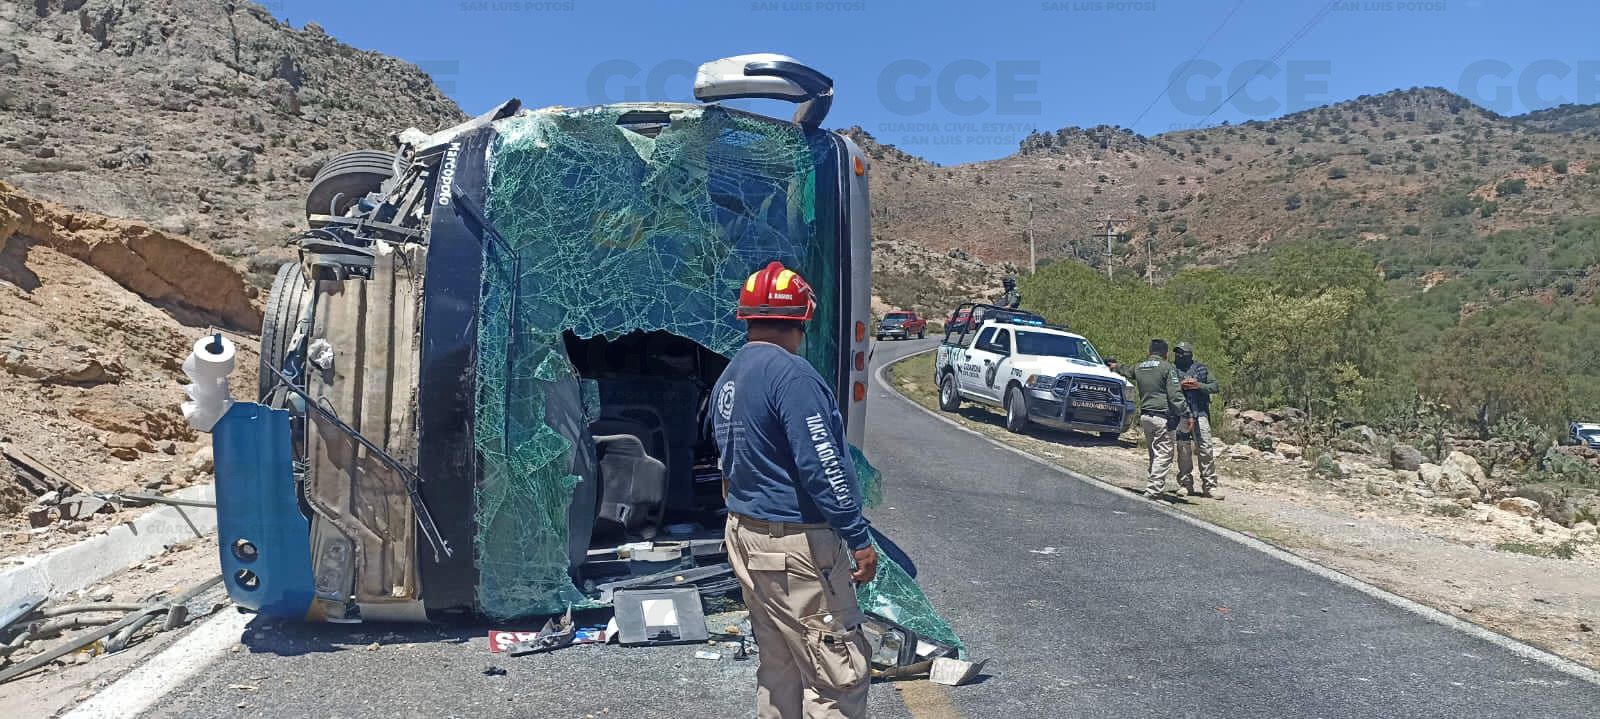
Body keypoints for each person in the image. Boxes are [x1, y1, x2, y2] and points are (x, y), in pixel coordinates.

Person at [710, 260, 877, 719]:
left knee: (780, 664)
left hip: (746, 534)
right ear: (802, 319)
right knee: (837, 673)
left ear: (748, 317)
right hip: (795, 544)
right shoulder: (793, 376)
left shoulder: (730, 376)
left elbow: (727, 460)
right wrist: (857, 536)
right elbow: (822, 463)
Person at [1133, 339, 1191, 499]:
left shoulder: (1139, 366)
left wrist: (1114, 366)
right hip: (1162, 417)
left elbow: (1126, 370)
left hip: (1145, 416)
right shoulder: (1167, 368)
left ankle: (1152, 485)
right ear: (1166, 354)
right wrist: (1185, 413)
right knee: (1164, 453)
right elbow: (1175, 395)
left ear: (1149, 352)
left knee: (1154, 453)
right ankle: (1153, 491)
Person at [1173, 342, 1223, 499]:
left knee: (1206, 448)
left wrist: (1197, 385)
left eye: (1182, 353)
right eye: (1177, 353)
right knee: (1183, 449)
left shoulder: (1201, 369)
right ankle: (1185, 484)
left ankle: (1210, 486)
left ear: (1189, 354)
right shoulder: (1172, 369)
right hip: (1181, 414)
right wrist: (1180, 385)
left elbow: (1215, 386)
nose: (1179, 356)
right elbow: (1166, 388)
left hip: (1200, 413)